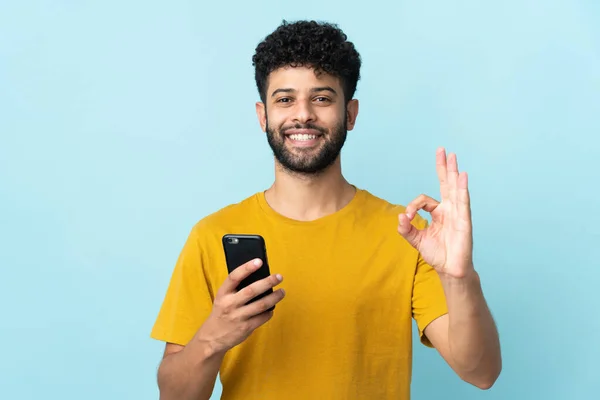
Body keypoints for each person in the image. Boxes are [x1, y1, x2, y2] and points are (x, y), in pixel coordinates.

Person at [150, 20, 502, 400]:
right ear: (262, 115)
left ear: (350, 114)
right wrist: (211, 339)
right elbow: (175, 396)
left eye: (321, 98)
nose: (303, 115)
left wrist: (460, 277)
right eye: (285, 99)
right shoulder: (211, 235)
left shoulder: (407, 232)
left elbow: (480, 372)